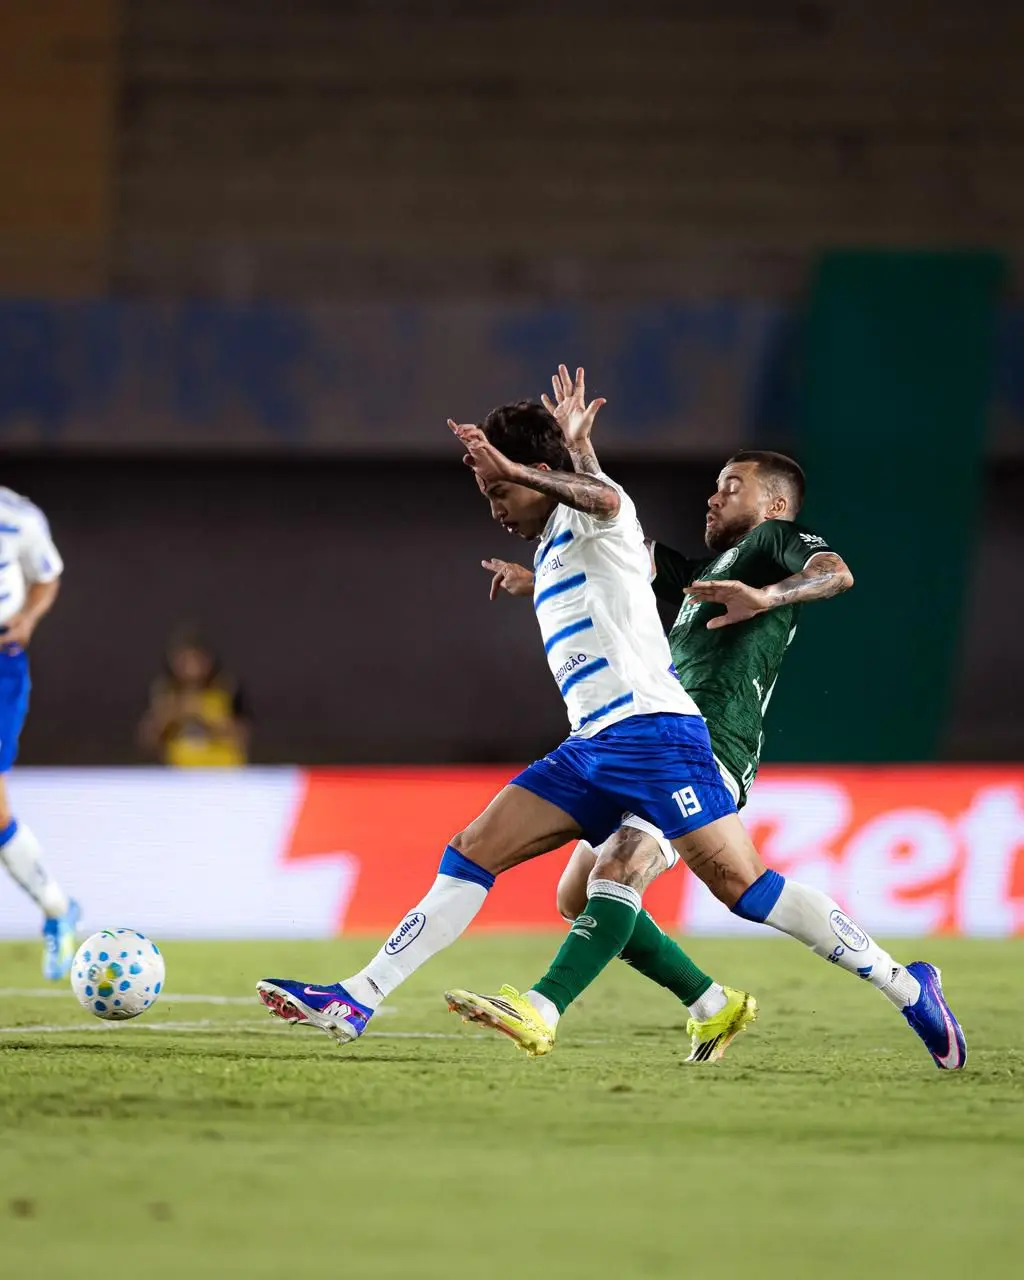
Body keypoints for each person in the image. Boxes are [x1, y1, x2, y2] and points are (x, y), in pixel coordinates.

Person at [257, 375, 964, 1074]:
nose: (714, 495)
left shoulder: (768, 538)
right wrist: (547, 541)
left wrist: (767, 596)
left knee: (726, 887)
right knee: (488, 856)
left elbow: (612, 504)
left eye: (501, 489)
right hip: (594, 741)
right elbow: (616, 563)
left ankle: (901, 987)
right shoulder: (623, 555)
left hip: (670, 737)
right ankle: (359, 996)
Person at [0, 486, 79, 979]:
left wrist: (27, 617)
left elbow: (47, 576)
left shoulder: (17, 517)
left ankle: (56, 908)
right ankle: (58, 908)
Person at [138, 631, 250, 767]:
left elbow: (243, 737)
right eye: (184, 660)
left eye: (196, 659)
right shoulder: (165, 693)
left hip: (222, 771)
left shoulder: (227, 689)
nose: (191, 668)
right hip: (177, 772)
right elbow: (147, 740)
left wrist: (205, 715)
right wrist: (171, 715)